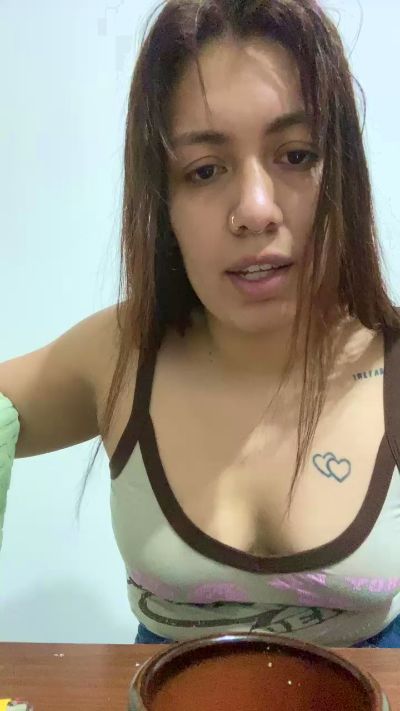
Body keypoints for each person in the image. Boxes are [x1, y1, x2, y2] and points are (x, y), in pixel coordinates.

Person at [1, 0, 400, 649]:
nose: (255, 209)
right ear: (164, 201)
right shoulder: (121, 351)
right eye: (206, 170)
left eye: (296, 155)